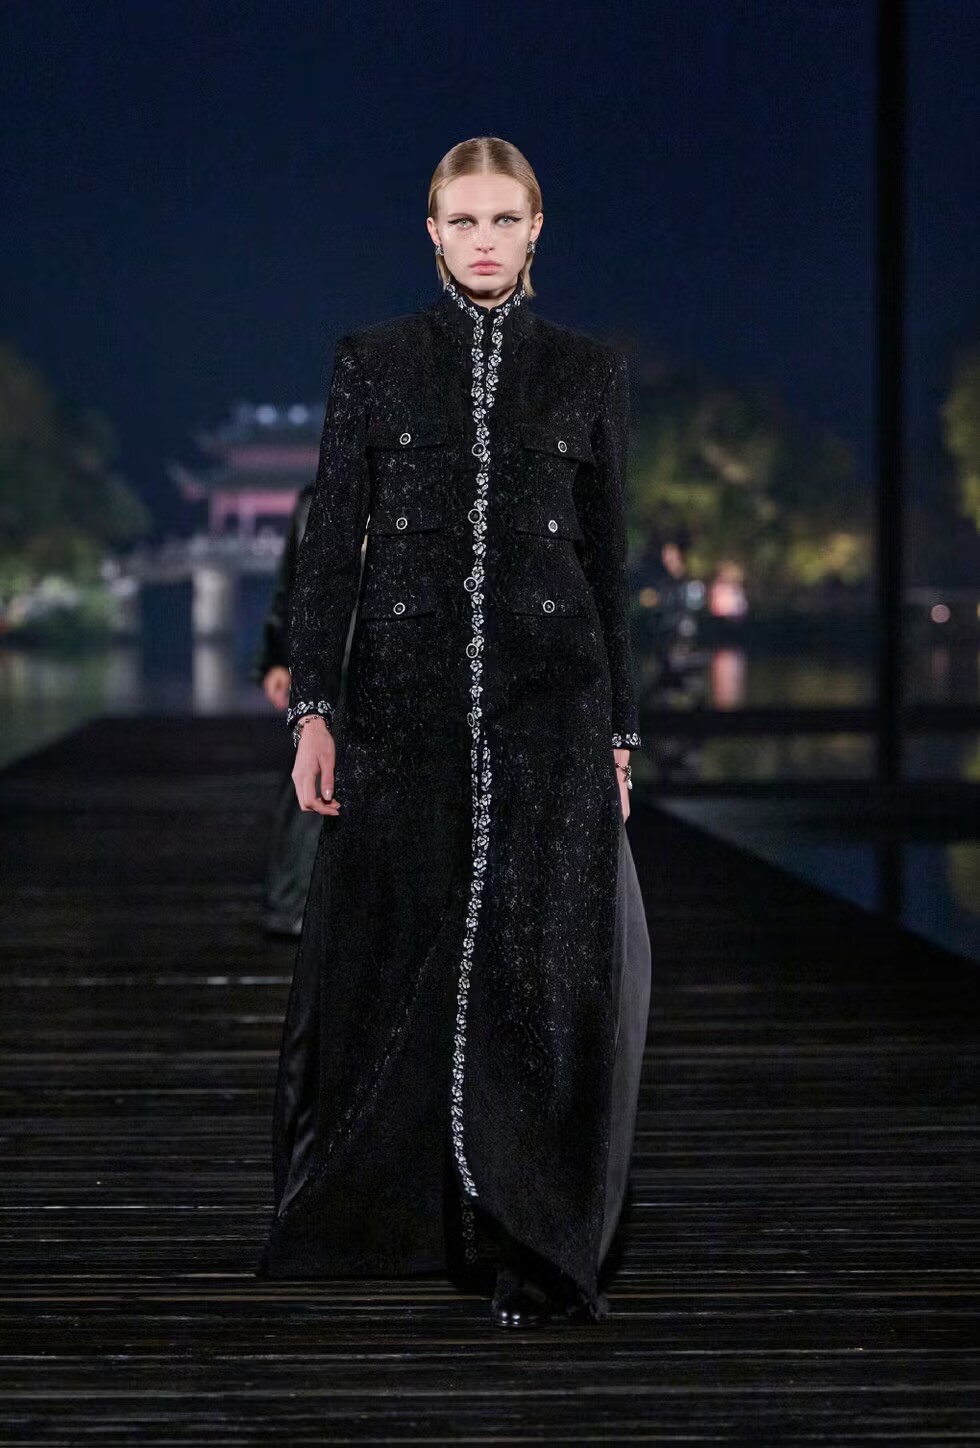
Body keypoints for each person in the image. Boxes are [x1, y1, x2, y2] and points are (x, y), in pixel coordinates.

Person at [256, 136, 652, 1329]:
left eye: (503, 219)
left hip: (554, 699)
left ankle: (529, 1230)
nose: (484, 241)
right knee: (393, 943)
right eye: (462, 220)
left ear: (537, 229)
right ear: (430, 232)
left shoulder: (585, 370)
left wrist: (619, 733)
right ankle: (408, 1209)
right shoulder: (372, 363)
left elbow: (608, 564)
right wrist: (314, 708)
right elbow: (331, 551)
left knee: (540, 961)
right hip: (400, 700)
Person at [250, 483, 325, 936]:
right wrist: (277, 658)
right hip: (330, 657)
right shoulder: (316, 500)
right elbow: (292, 583)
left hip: (397, 653)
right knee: (312, 775)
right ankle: (288, 902)